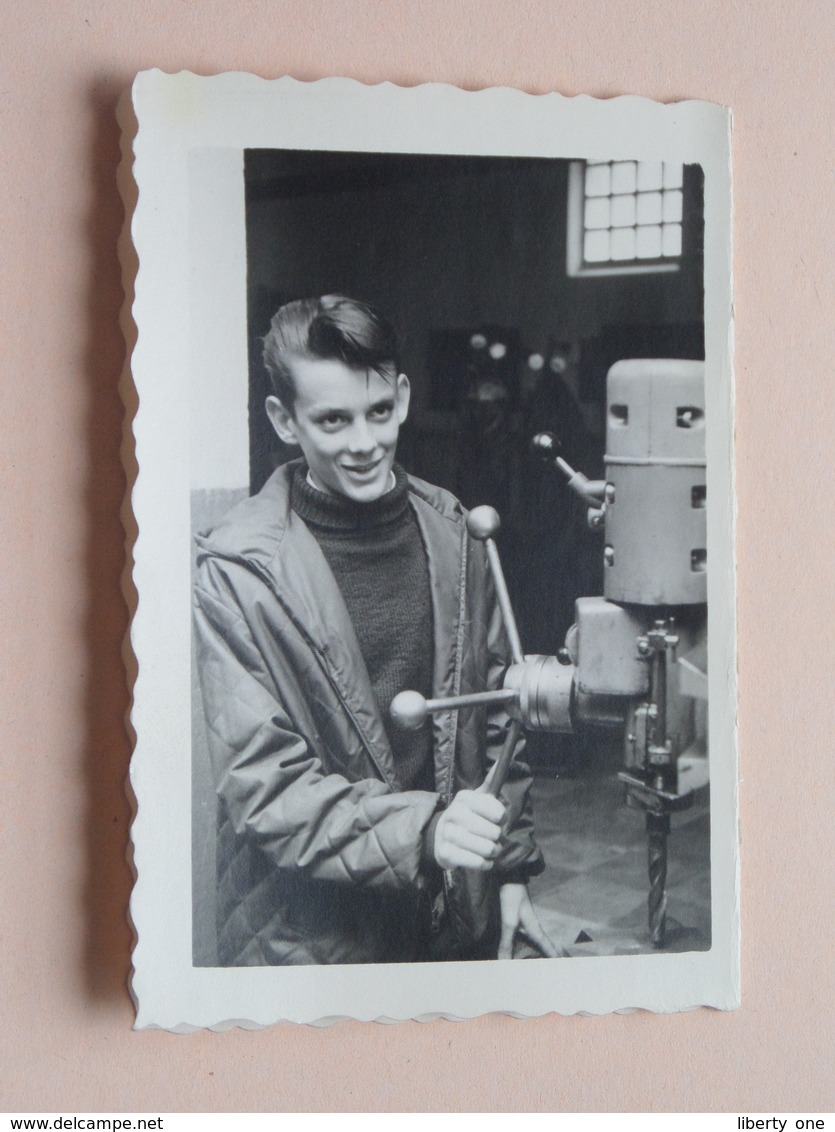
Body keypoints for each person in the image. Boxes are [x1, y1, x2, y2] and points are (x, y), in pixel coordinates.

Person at [193, 294, 558, 966]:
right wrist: (425, 831)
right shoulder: (236, 571)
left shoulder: (453, 529)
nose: (363, 444)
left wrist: (507, 873)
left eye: (378, 412)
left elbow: (502, 719)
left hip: (449, 923)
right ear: (283, 419)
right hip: (309, 941)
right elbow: (264, 787)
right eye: (332, 420)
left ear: (404, 396)